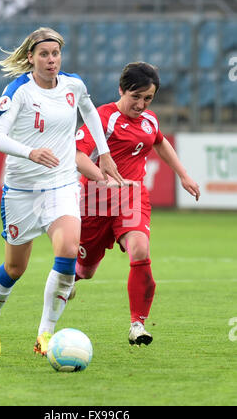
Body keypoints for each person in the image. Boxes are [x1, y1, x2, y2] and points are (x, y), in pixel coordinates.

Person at [0, 27, 124, 359]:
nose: (51, 60)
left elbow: (88, 110)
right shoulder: (18, 92)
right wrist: (31, 152)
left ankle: (46, 334)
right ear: (31, 57)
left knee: (69, 249)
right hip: (21, 191)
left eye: (55, 54)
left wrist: (103, 151)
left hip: (61, 184)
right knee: (15, 268)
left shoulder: (73, 85)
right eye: (44, 54)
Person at [74, 62, 200, 347]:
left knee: (140, 249)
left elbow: (160, 142)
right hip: (95, 200)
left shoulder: (149, 121)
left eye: (148, 99)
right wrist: (101, 178)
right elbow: (78, 155)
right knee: (86, 271)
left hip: (132, 198)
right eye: (136, 97)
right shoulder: (102, 118)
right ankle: (69, 281)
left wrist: (183, 175)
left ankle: (137, 324)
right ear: (121, 89)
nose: (142, 104)